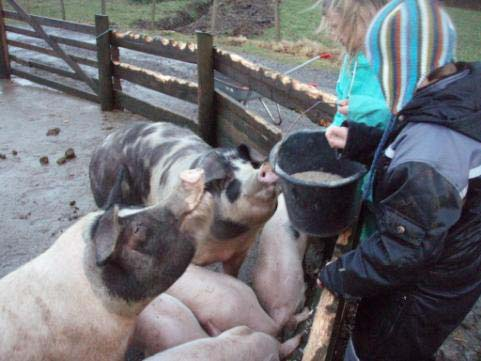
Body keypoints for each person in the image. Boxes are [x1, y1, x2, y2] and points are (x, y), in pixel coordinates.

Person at [318, 1, 481, 361]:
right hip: (450, 260)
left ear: (403, 68)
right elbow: (417, 148)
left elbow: (405, 250)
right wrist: (364, 142)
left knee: (374, 349)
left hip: (420, 293)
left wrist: (338, 273)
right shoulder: (454, 95)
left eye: (381, 68)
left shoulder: (432, 152)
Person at [320, 0, 391, 129]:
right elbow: (341, 113)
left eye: (336, 27)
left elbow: (406, 118)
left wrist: (374, 111)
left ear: (360, 17)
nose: (335, 36)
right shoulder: (350, 61)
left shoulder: (396, 63)